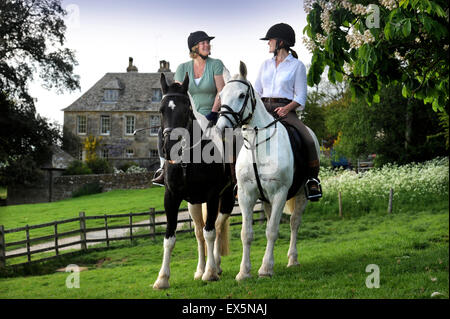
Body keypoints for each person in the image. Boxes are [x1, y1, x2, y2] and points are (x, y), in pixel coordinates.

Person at [254, 23, 322, 201]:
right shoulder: (265, 65)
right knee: (240, 136)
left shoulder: (297, 66)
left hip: (286, 110)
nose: (268, 43)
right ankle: (238, 181)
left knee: (307, 138)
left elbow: (301, 97)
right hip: (263, 109)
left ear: (281, 43)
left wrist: (286, 108)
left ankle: (312, 181)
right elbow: (256, 91)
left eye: (271, 40)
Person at [152, 30, 226, 185]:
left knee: (229, 135)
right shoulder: (182, 68)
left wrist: (213, 112)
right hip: (189, 115)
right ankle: (163, 169)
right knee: (163, 132)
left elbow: (221, 91)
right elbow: (177, 96)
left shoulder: (216, 64)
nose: (207, 45)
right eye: (203, 43)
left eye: (208, 42)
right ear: (194, 48)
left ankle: (231, 174)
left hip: (211, 113)